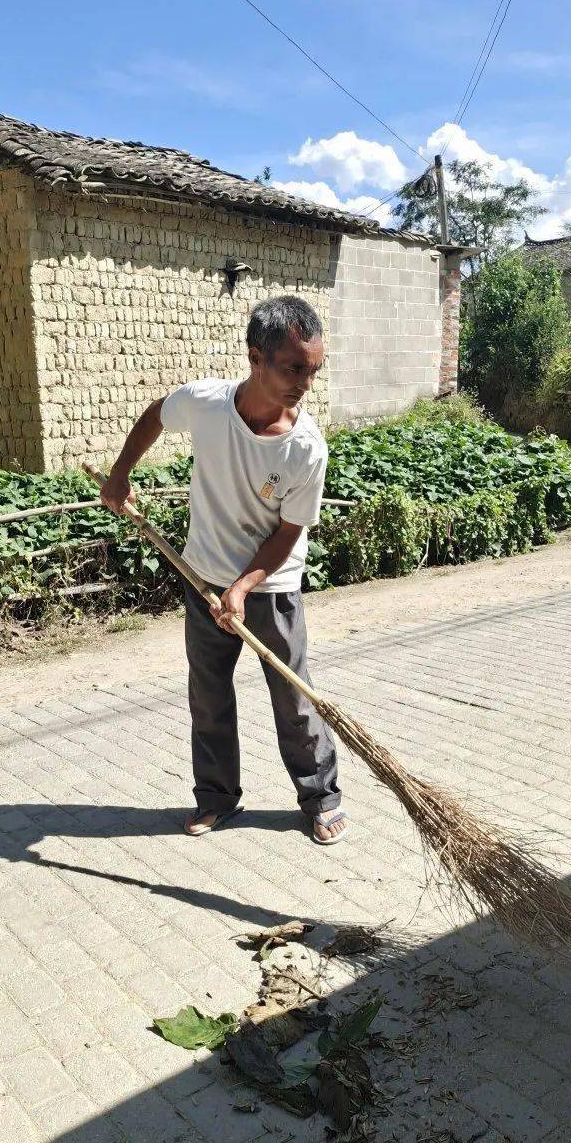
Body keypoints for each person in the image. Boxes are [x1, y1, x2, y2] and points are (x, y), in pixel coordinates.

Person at [100, 295, 348, 845]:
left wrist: (243, 588)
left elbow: (287, 534)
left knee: (294, 698)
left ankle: (320, 796)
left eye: (312, 370)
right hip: (201, 575)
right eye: (292, 368)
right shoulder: (207, 403)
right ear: (256, 357)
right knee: (208, 694)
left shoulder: (306, 448)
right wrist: (120, 474)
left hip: (271, 587)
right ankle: (217, 798)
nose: (303, 384)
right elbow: (155, 416)